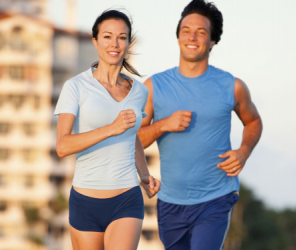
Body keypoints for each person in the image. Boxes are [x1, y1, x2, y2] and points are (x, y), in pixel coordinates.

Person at [137, 0, 263, 249]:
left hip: (215, 198)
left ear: (212, 41)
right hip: (170, 202)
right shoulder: (154, 86)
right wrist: (163, 125)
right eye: (186, 31)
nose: (192, 37)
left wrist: (244, 151)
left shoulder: (232, 85)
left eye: (201, 32)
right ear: (178, 37)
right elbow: (134, 139)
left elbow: (254, 121)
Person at [54, 9, 161, 250]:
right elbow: (62, 146)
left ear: (128, 43)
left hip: (127, 198)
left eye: (122, 37)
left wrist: (144, 174)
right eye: (107, 36)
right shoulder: (76, 87)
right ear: (95, 41)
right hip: (85, 201)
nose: (115, 43)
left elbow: (131, 137)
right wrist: (110, 128)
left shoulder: (139, 91)